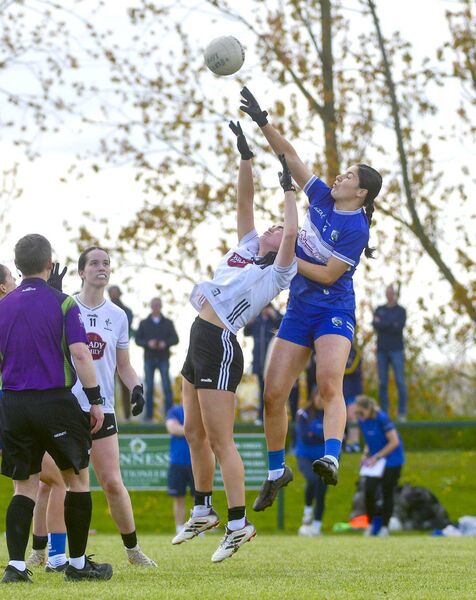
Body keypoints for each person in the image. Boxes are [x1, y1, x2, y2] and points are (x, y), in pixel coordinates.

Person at [239, 86, 383, 506]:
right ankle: (275, 470)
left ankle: (332, 458)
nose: (340, 177)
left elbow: (325, 273)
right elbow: (290, 157)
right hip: (299, 308)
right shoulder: (321, 196)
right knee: (272, 393)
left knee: (327, 385)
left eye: (349, 176)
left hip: (333, 310)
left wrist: (284, 257)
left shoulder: (356, 229)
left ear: (361, 194)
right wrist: (263, 120)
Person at [172, 122, 298, 562]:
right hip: (197, 335)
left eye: (278, 227)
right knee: (193, 432)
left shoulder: (277, 272)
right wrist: (245, 157)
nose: (271, 226)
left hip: (221, 343)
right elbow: (244, 201)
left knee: (221, 440)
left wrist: (289, 194)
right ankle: (204, 509)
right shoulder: (247, 246)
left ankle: (239, 522)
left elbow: (292, 236)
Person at [0, 234, 112, 583]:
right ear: (50, 263)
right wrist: (95, 400)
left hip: (14, 402)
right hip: (55, 401)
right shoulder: (65, 303)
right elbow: (80, 354)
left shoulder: (2, 305)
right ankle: (77, 566)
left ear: (17, 267)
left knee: (24, 487)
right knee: (77, 479)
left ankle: (16, 568)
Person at [70, 246, 156, 567]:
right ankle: (49, 553)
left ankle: (133, 551)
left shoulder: (118, 315)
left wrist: (137, 388)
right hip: (68, 408)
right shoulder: (67, 307)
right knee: (65, 483)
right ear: (82, 272)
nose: (101, 268)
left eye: (106, 263)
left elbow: (125, 365)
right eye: (94, 263)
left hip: (101, 409)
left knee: (112, 482)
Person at [354, 395, 405, 537]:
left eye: (361, 413)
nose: (360, 416)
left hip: (392, 460)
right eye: (357, 414)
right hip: (375, 462)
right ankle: (370, 525)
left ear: (369, 408)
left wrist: (377, 456)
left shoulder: (382, 418)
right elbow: (369, 441)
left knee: (387, 492)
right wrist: (365, 455)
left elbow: (394, 442)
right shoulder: (362, 421)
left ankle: (384, 527)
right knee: (369, 491)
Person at [135, 298, 179, 421]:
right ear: (151, 306)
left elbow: (175, 339)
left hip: (163, 358)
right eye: (154, 305)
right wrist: (148, 343)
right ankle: (149, 416)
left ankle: (170, 416)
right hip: (149, 358)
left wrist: (165, 343)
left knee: (166, 386)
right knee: (149, 387)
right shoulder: (144, 323)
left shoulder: (168, 323)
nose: (156, 307)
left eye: (158, 305)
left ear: (161, 306)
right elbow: (138, 339)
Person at [372, 284, 408, 420]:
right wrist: (391, 324)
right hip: (381, 350)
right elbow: (376, 325)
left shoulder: (401, 311)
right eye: (387, 293)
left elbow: (399, 327)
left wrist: (384, 324)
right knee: (382, 383)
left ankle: (402, 413)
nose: (389, 295)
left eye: (391, 293)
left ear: (395, 294)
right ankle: (384, 414)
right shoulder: (379, 309)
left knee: (400, 381)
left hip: (397, 350)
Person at [295, 389, 327, 537]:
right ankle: (307, 512)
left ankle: (317, 526)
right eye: (319, 396)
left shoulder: (330, 413)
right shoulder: (303, 414)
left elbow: (341, 435)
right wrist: (323, 437)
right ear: (313, 397)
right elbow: (306, 437)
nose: (321, 400)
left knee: (322, 490)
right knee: (313, 480)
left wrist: (315, 435)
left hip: (324, 459)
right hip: (305, 457)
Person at [243, 303, 282, 423]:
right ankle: (261, 416)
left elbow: (284, 326)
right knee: (261, 390)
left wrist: (274, 315)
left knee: (272, 390)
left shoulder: (274, 317)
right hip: (258, 362)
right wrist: (250, 320)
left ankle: (274, 416)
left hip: (273, 362)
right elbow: (246, 332)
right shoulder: (257, 319)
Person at [165, 402, 195, 534]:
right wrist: (194, 430)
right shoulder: (175, 410)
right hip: (178, 462)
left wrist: (184, 429)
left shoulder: (200, 409)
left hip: (198, 463)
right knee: (179, 497)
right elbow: (173, 428)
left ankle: (198, 528)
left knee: (199, 499)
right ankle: (179, 528)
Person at [108, 285, 134, 421]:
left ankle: (127, 415)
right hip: (107, 352)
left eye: (115, 292)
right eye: (111, 293)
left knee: (125, 384)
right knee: (108, 383)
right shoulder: (104, 310)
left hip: (122, 351)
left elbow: (126, 329)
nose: (113, 295)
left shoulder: (126, 312)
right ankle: (110, 412)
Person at [343, 340, 363, 452]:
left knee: (352, 416)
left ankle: (353, 443)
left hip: (353, 390)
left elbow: (350, 368)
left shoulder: (356, 353)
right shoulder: (335, 349)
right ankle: (339, 443)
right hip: (339, 390)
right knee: (338, 416)